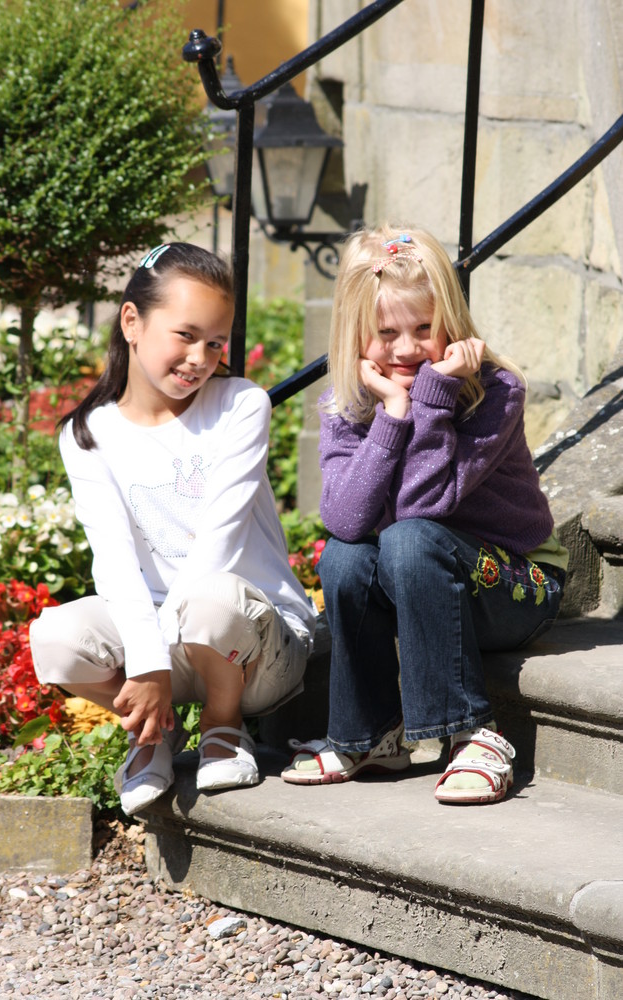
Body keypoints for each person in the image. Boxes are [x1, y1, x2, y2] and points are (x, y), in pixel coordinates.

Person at [281, 225, 567, 803]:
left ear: (451, 325)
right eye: (386, 333)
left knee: (409, 538)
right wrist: (390, 415)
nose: (407, 349)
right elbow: (344, 521)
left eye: (423, 329)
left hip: (517, 585)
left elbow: (422, 506)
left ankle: (473, 735)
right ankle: (370, 735)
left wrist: (433, 399)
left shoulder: (495, 393)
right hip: (418, 580)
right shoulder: (348, 406)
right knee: (343, 556)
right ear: (355, 334)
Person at [30, 242, 315, 814]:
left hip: (253, 646)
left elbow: (218, 548)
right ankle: (154, 734)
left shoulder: (240, 406)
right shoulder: (88, 434)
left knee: (211, 598)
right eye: (185, 335)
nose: (200, 358)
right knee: (55, 638)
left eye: (215, 343)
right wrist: (150, 664)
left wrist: (151, 657)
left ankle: (224, 726)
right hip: (170, 643)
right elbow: (113, 560)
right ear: (132, 322)